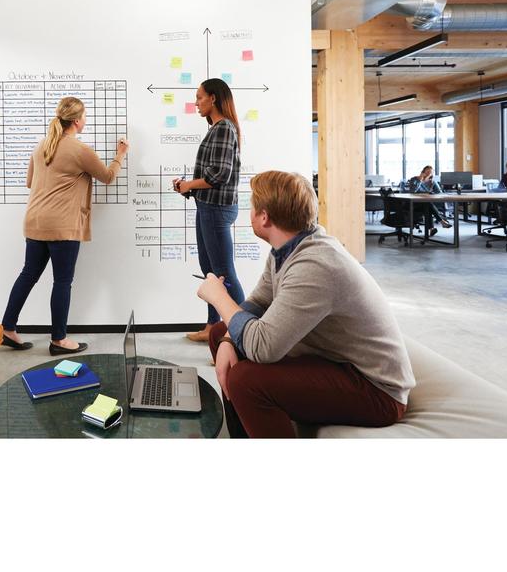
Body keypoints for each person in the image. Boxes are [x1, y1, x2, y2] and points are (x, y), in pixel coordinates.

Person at [196, 170, 415, 439]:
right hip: (335, 361)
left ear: (264, 217)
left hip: (375, 390)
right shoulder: (287, 248)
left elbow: (263, 348)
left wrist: (218, 297)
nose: (249, 213)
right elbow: (260, 301)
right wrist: (228, 340)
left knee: (246, 381)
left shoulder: (316, 265)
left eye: (252, 206)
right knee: (221, 333)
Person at [1, 96, 128, 356]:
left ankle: (7, 327)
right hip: (62, 226)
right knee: (62, 281)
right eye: (85, 116)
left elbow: (30, 182)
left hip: (35, 221)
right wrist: (120, 154)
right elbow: (108, 177)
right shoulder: (80, 150)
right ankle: (59, 340)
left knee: (28, 274)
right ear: (78, 120)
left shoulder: (42, 146)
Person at [172, 78, 245, 343]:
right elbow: (213, 174)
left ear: (213, 98)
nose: (196, 102)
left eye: (200, 97)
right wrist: (188, 186)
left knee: (224, 274)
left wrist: (190, 184)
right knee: (211, 273)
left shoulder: (224, 127)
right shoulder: (217, 128)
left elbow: (220, 174)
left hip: (216, 210)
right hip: (208, 207)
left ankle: (239, 336)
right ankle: (213, 328)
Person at [407, 165, 451, 229]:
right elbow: (413, 191)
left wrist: (432, 193)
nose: (428, 174)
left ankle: (431, 229)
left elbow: (439, 192)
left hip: (426, 203)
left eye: (430, 173)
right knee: (428, 204)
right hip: (415, 203)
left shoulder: (432, 182)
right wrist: (420, 180)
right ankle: (441, 221)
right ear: (423, 172)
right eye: (427, 172)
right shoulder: (414, 179)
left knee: (427, 206)